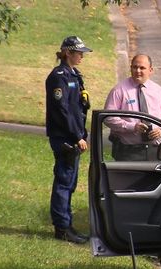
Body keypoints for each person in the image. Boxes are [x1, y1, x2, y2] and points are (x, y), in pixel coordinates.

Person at [45, 36, 92, 244]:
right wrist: (77, 136)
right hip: (65, 137)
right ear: (67, 53)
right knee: (64, 181)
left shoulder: (74, 75)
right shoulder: (59, 76)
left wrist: (83, 133)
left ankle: (67, 224)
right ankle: (62, 227)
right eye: (78, 52)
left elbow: (78, 109)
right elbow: (62, 111)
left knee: (70, 182)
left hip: (74, 136)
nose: (81, 55)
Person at [104, 54, 161, 161]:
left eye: (142, 68)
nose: (138, 71)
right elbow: (108, 118)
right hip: (128, 151)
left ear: (151, 70)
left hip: (156, 150)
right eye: (134, 67)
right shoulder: (119, 90)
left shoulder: (159, 91)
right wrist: (132, 127)